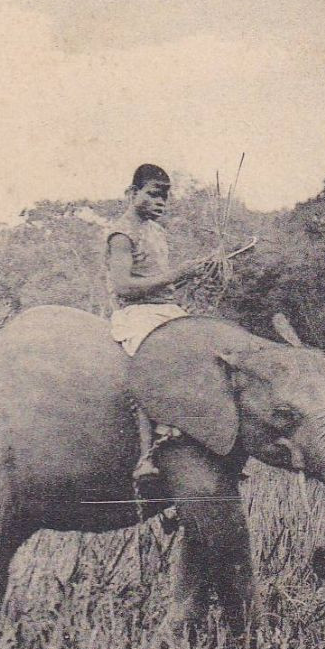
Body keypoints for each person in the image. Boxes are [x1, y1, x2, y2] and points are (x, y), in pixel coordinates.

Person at [104, 164, 224, 493]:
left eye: (165, 197)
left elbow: (162, 286)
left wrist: (197, 273)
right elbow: (124, 285)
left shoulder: (156, 232)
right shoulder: (121, 234)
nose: (160, 202)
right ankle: (147, 455)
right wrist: (176, 275)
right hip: (137, 314)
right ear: (132, 194)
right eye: (153, 194)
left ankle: (206, 445)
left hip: (165, 310)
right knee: (152, 362)